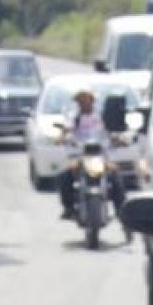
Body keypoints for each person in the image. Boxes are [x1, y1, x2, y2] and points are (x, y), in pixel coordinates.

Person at [58, 88, 124, 222]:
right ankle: (68, 208)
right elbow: (67, 129)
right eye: (80, 101)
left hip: (101, 156)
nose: (83, 103)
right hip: (82, 156)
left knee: (116, 176)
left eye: (86, 99)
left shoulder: (101, 117)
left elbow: (111, 131)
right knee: (64, 176)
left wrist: (119, 139)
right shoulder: (74, 118)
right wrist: (62, 136)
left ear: (92, 100)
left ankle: (121, 210)